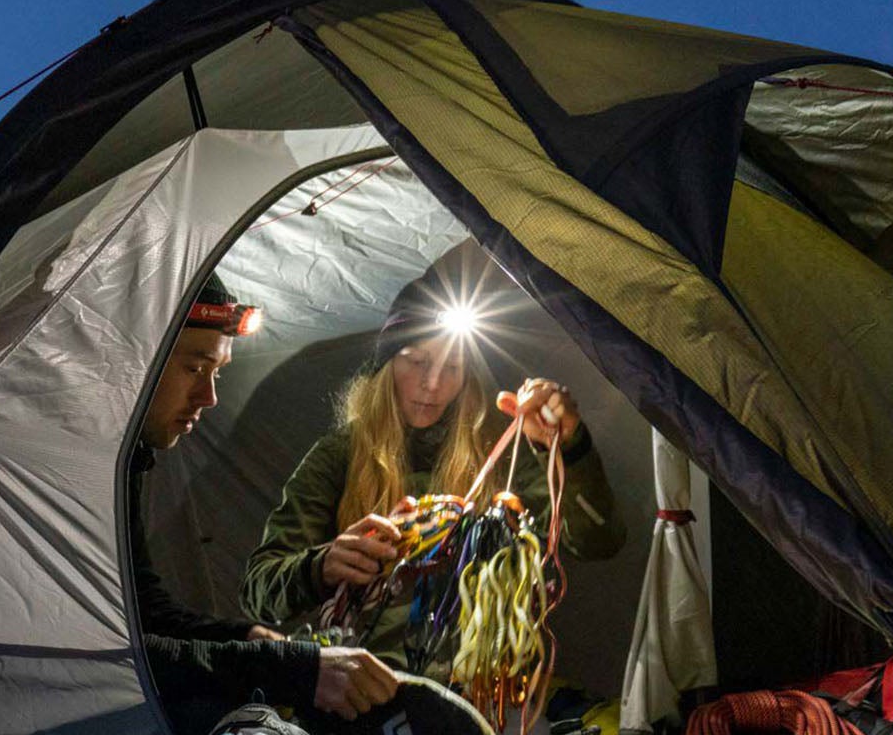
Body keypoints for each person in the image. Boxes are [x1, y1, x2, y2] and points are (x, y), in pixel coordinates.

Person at [241, 272, 626, 674]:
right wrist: (319, 567)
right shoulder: (339, 456)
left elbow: (599, 541)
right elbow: (258, 590)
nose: (432, 384)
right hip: (363, 685)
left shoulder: (499, 450)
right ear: (387, 365)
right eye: (417, 362)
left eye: (451, 367)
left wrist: (568, 449)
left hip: (479, 684)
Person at [133, 274, 398, 735]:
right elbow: (112, 653)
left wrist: (256, 639)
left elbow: (144, 612)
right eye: (196, 369)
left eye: (217, 373)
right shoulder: (56, 468)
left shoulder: (126, 463)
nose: (209, 397)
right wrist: (290, 666)